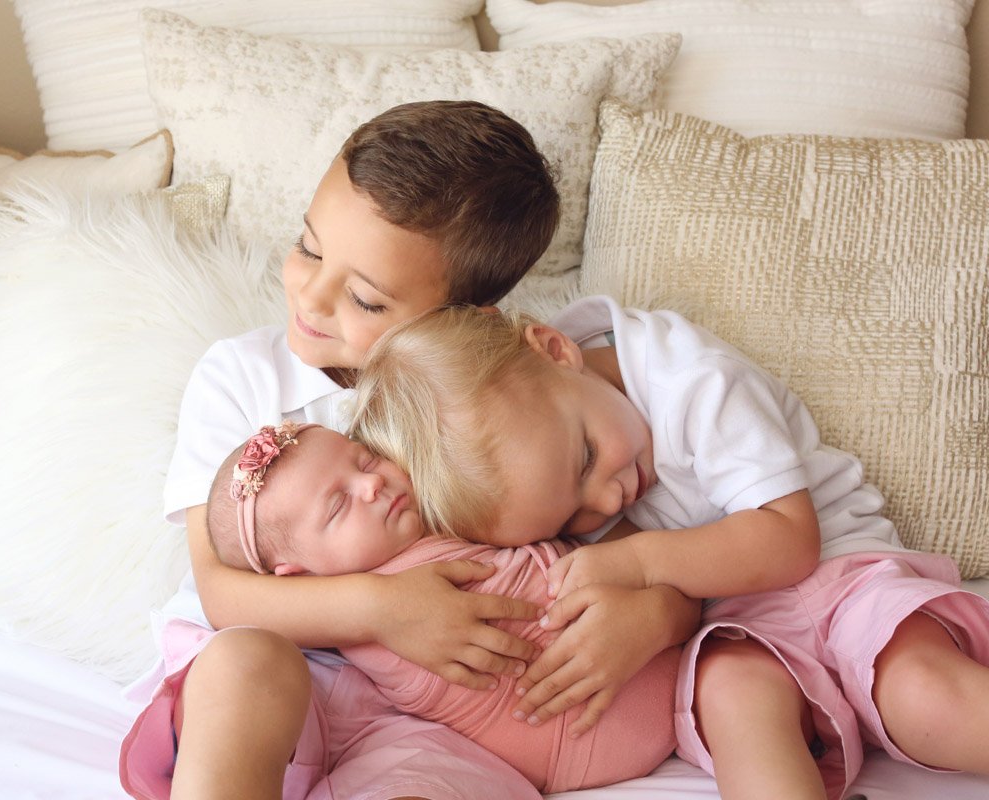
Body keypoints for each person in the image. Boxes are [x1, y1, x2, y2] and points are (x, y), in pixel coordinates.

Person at [351, 296, 989, 800]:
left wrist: (630, 563)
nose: (605, 500)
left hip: (839, 576)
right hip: (737, 623)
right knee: (734, 697)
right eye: (573, 516)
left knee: (923, 692)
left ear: (554, 349)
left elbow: (786, 540)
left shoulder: (687, 377)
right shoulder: (535, 468)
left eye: (584, 461)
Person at [118, 99, 623, 800]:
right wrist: (383, 610)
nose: (312, 297)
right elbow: (223, 593)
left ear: (462, 322)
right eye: (309, 249)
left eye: (363, 297)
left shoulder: (488, 396)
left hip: (447, 711)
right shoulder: (241, 376)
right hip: (276, 679)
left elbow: (590, 538)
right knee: (245, 666)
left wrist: (650, 617)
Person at [200, 419, 685, 793]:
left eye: (366, 461)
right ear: (298, 576)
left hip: (655, 666)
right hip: (579, 740)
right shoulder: (363, 619)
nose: (371, 485)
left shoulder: (437, 509)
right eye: (337, 507)